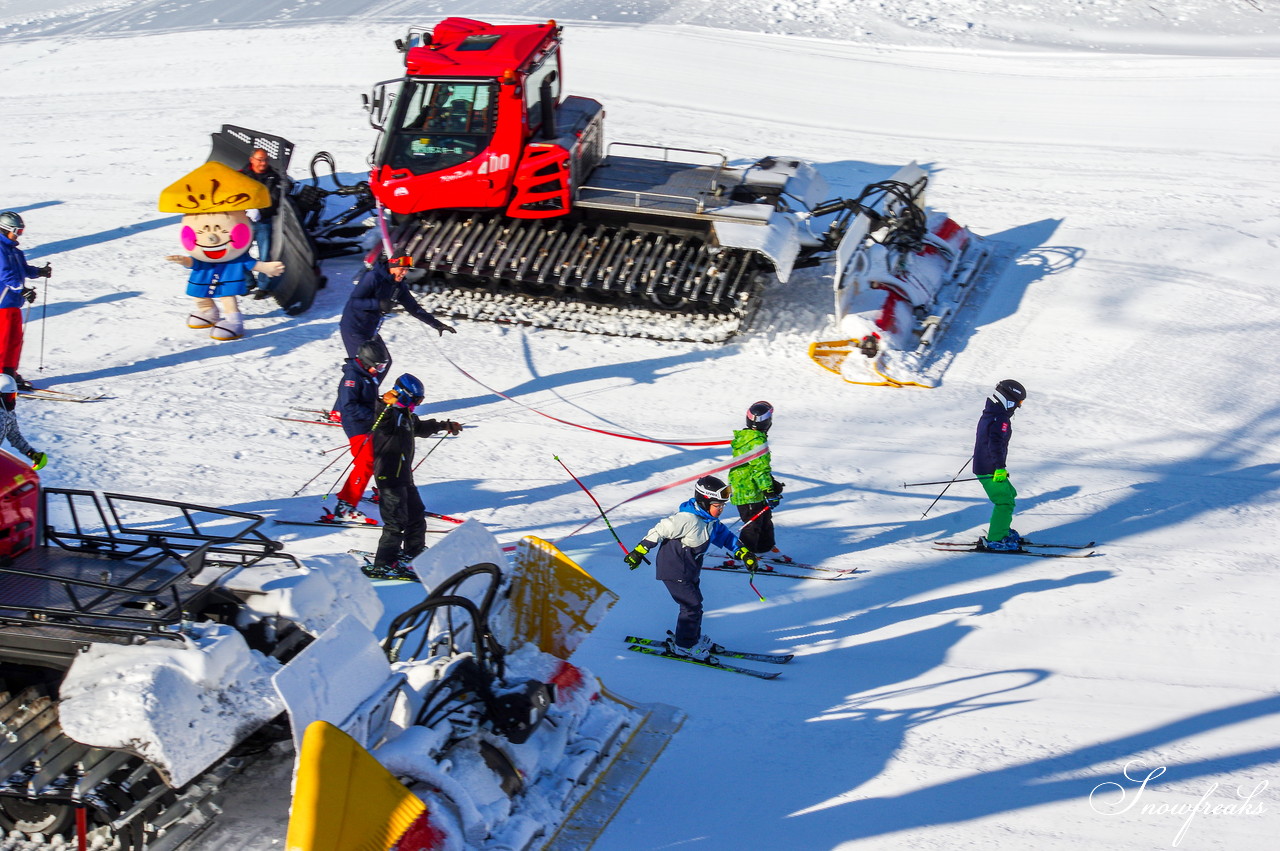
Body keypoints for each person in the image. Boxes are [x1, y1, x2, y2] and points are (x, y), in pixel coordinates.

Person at [624, 476, 759, 662]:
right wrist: (639, 551)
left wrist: (744, 554)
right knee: (691, 605)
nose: (721, 509)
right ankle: (684, 646)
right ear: (704, 501)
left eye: (722, 506)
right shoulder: (686, 519)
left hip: (690, 569)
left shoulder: (710, 521)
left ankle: (691, 638)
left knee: (696, 604)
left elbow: (727, 538)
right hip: (674, 569)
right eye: (717, 505)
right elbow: (659, 530)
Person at [369, 373, 463, 575]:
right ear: (404, 396)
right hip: (389, 476)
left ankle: (414, 551)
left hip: (404, 475)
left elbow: (419, 427)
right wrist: (382, 403)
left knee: (416, 513)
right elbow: (381, 419)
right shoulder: (389, 414)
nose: (417, 405)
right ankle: (384, 562)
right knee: (395, 521)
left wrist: (444, 425)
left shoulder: (407, 416)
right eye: (416, 400)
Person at [322, 338, 392, 525]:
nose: (379, 371)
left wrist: (382, 404)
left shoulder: (364, 375)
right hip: (357, 426)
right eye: (377, 367)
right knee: (365, 463)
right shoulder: (352, 378)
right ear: (366, 362)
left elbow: (367, 400)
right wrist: (373, 414)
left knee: (373, 460)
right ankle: (345, 507)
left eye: (382, 368)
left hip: (366, 424)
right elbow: (349, 406)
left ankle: (349, 497)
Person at [339, 255, 455, 365]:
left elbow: (414, 308)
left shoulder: (398, 286)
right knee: (362, 366)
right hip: (354, 328)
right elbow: (354, 302)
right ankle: (352, 386)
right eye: (402, 269)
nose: (405, 273)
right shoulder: (373, 277)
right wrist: (378, 304)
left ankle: (372, 386)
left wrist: (437, 324)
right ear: (393, 266)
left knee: (384, 362)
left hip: (370, 329)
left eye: (407, 269)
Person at [973, 379, 1027, 551]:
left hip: (986, 464)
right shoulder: (1000, 418)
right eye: (1018, 403)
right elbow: (995, 443)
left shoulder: (991, 412)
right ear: (1010, 399)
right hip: (990, 468)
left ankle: (1002, 529)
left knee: (1010, 493)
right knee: (1004, 501)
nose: (1018, 407)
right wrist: (999, 467)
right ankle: (996, 539)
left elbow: (987, 438)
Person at [0, 212, 51, 391]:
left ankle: (9, 372)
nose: (19, 234)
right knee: (3, 341)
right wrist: (22, 289)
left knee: (15, 340)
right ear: (5, 229)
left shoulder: (15, 251)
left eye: (21, 231)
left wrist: (39, 272)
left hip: (13, 302)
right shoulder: (0, 249)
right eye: (17, 231)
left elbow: (24, 269)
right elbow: (6, 274)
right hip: (2, 303)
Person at [728, 401, 785, 555]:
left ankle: (765, 548)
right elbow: (760, 470)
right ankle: (743, 555)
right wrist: (769, 492)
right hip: (748, 492)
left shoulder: (746, 437)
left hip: (752, 488)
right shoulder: (758, 442)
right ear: (768, 423)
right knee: (752, 524)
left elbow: (754, 467)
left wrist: (771, 484)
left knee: (765, 519)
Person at [239, 148, 287, 299]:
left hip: (263, 222)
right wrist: (245, 209)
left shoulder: (274, 177)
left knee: (265, 255)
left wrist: (261, 212)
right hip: (244, 221)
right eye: (260, 160)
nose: (263, 163)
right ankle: (248, 282)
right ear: (252, 159)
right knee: (239, 253)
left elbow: (275, 199)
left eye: (265, 160)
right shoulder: (241, 175)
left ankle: (263, 286)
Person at [0, 374, 47, 470]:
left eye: (13, 396)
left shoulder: (8, 413)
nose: (12, 401)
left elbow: (14, 435)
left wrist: (31, 453)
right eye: (9, 397)